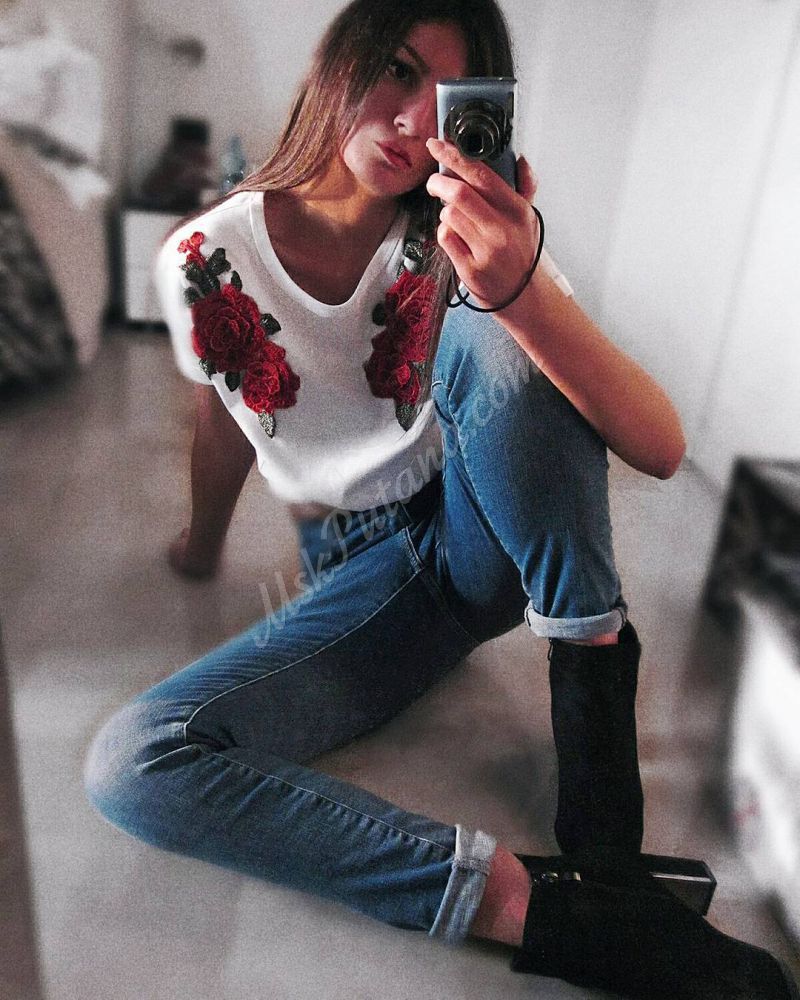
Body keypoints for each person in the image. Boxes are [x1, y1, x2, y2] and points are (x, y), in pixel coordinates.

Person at [85, 2, 798, 996]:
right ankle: (560, 909)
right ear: (336, 61)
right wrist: (200, 543)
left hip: (474, 526)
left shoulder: (463, 237)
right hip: (365, 569)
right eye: (394, 68)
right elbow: (225, 415)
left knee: (499, 333)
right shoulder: (202, 259)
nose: (415, 119)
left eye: (449, 95)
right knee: (134, 762)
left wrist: (520, 289)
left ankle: (601, 798)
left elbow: (660, 447)